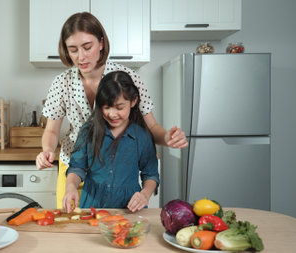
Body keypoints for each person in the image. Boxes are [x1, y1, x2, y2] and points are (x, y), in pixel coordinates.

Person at [36, 12, 187, 209]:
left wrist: (167, 138)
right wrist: (47, 151)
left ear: (101, 43)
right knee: (71, 225)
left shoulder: (127, 78)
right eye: (73, 50)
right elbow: (52, 130)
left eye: (87, 47)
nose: (80, 56)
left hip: (116, 166)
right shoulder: (61, 83)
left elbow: (152, 127)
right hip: (75, 165)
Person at [63, 71, 159, 213]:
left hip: (129, 209)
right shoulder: (88, 131)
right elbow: (77, 167)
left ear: (133, 101)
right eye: (106, 107)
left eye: (120, 107)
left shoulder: (142, 136)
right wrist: (71, 186)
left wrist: (145, 194)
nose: (112, 114)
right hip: (92, 206)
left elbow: (151, 175)